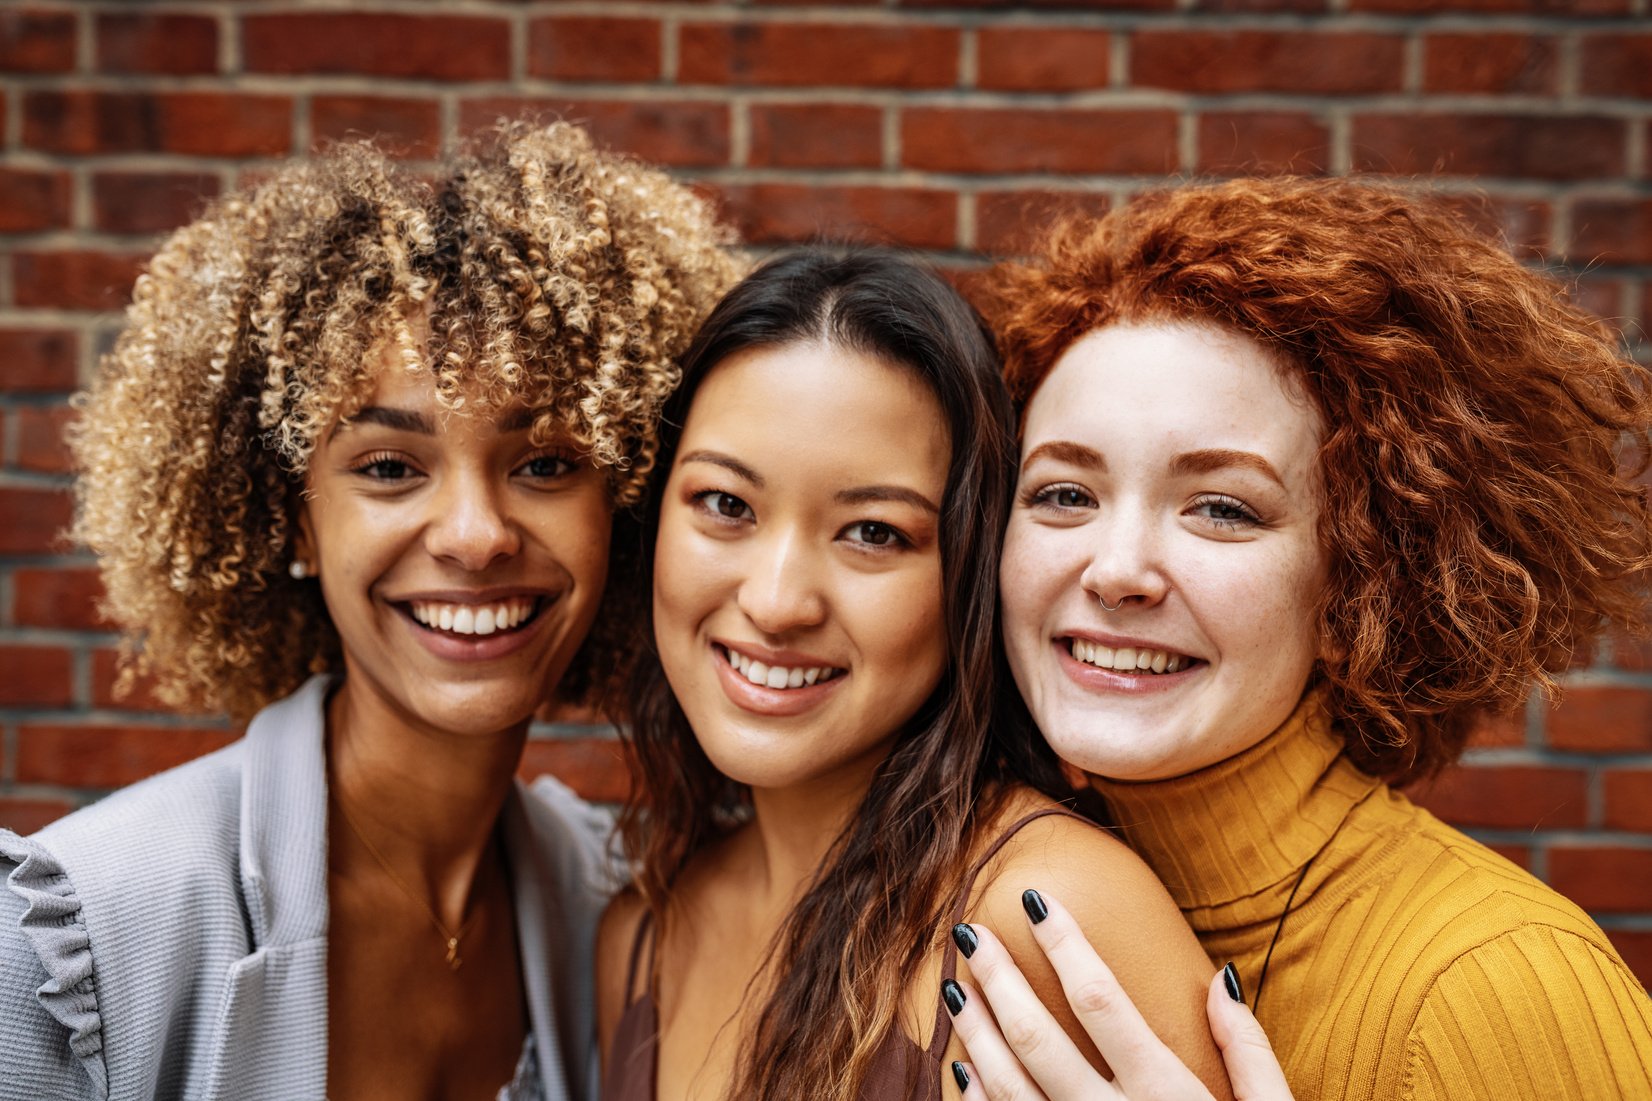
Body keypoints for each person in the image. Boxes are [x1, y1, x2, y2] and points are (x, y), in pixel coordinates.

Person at [0, 121, 739, 1101]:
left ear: (623, 505)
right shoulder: (78, 942)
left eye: (547, 463)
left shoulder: (604, 910)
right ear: (293, 520)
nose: (475, 535)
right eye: (389, 468)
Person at [947, 176, 1652, 1099]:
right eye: (1065, 493)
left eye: (1223, 509)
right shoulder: (993, 896)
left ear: (1365, 571)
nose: (1117, 569)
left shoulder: (1499, 985)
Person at [595, 249, 1232, 1101]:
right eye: (726, 505)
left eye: (873, 532)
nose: (778, 600)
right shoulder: (637, 939)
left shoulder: (1044, 916)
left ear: (968, 572)